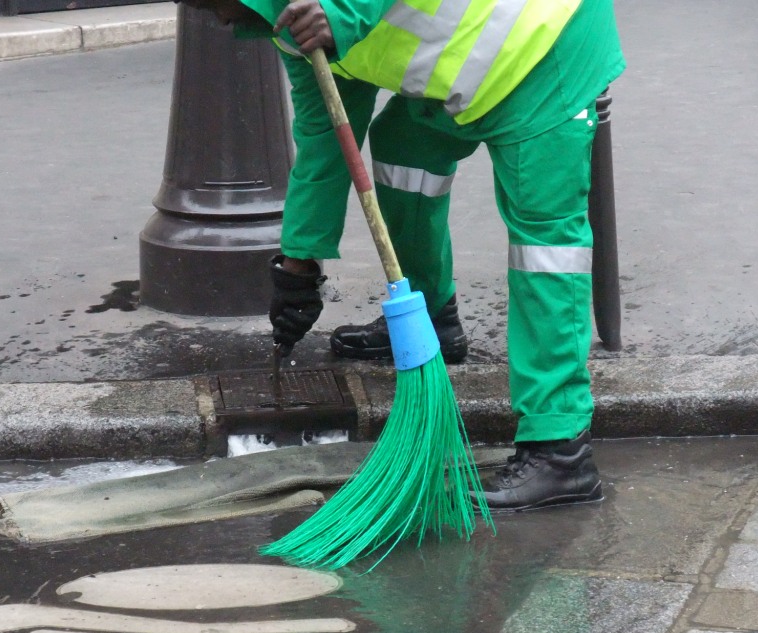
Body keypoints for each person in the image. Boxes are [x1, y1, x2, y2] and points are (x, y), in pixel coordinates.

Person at [179, 0, 625, 511]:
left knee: (544, 251)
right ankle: (430, 320)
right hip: (469, 64)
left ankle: (560, 450)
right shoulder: (290, 24)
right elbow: (327, 130)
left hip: (546, 45)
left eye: (205, 3)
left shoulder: (321, 12)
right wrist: (299, 264)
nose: (216, 20)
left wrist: (344, 14)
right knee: (403, 151)